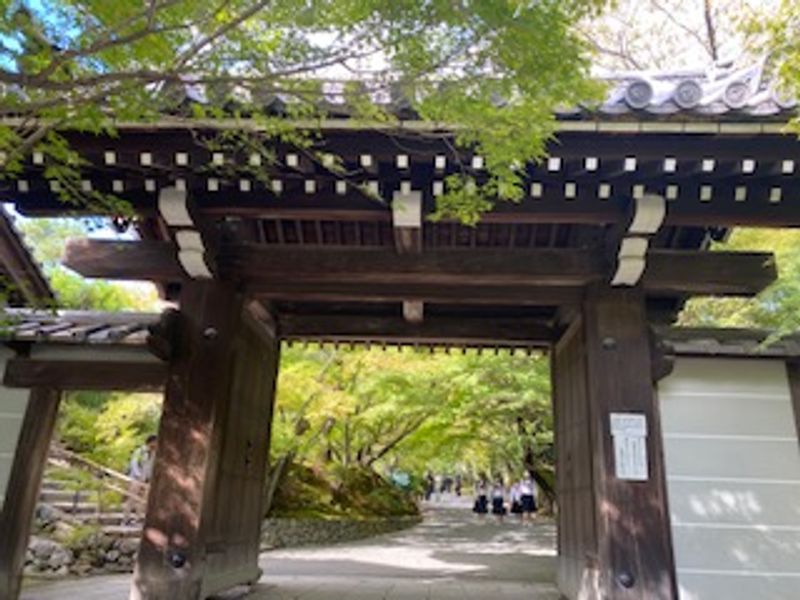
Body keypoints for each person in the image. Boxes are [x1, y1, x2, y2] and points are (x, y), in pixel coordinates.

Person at [124, 434, 157, 523]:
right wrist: (138, 476)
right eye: (155, 442)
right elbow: (134, 464)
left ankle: (137, 519)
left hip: (147, 480)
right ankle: (126, 518)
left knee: (143, 501)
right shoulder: (140, 451)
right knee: (132, 499)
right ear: (151, 442)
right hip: (136, 479)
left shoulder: (154, 454)